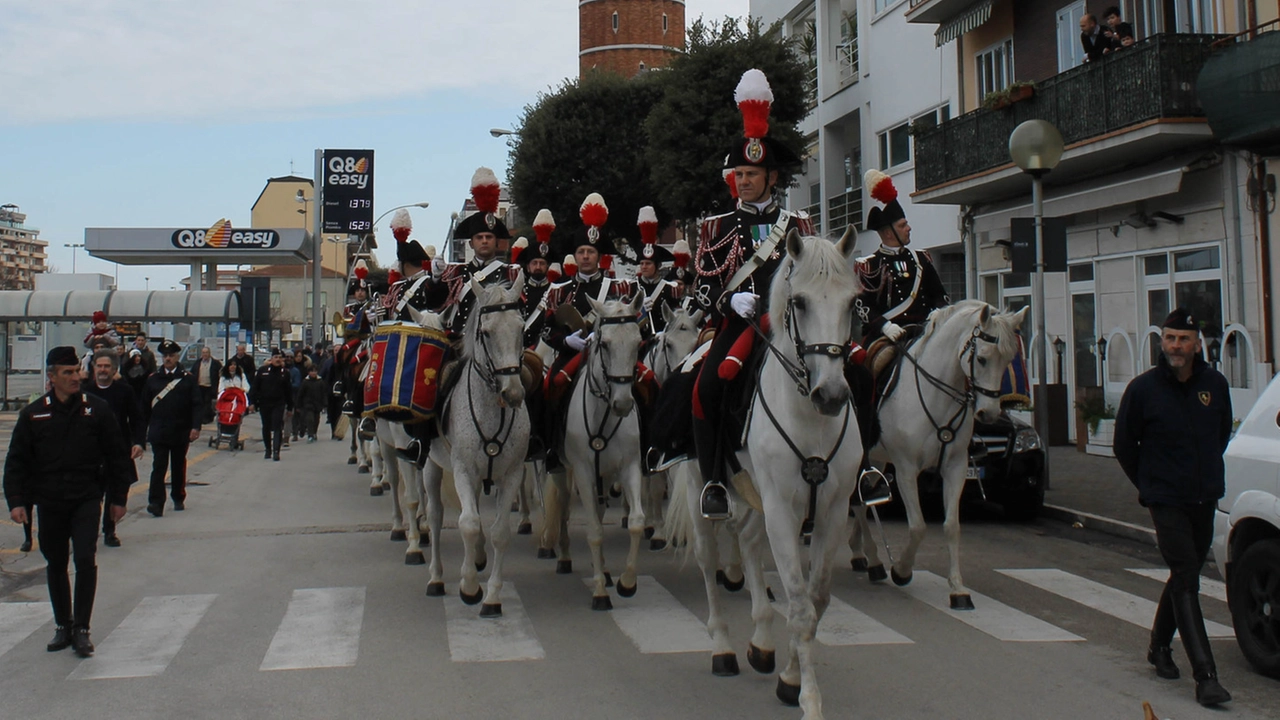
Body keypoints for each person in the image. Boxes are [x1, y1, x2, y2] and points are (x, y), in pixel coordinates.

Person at [689, 69, 814, 518]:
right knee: (706, 387)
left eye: (752, 174)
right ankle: (714, 481)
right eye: (739, 173)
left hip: (791, 325)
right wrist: (729, 300)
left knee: (847, 369)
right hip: (741, 324)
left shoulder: (798, 224)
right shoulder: (715, 227)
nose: (743, 181)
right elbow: (702, 286)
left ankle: (857, 471)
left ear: (771, 177)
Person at [1114, 309, 1233, 707]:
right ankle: (1206, 677)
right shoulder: (1143, 389)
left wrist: (1204, 475)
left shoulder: (1214, 385)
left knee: (1186, 572)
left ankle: (1159, 646)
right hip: (1165, 498)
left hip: (1204, 496)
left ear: (1197, 344)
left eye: (1183, 339)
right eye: (1170, 338)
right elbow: (1124, 445)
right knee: (1187, 576)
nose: (1176, 346)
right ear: (1161, 343)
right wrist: (1150, 485)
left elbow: (1220, 433)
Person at [4, 346, 132, 658]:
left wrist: (118, 498)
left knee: (85, 558)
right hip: (50, 500)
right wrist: (17, 501)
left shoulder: (97, 410)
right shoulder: (34, 414)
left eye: (77, 371)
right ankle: (63, 624)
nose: (76, 377)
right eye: (68, 373)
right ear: (52, 377)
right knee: (56, 561)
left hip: (87, 496)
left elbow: (117, 457)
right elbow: (16, 461)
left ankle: (82, 629)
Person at [433, 166, 521, 337]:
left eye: (489, 237)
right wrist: (436, 278)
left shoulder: (511, 273)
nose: (484, 241)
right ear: (471, 243)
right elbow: (434, 304)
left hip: (497, 344)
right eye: (479, 237)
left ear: (496, 242)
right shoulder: (455, 272)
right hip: (458, 340)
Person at [83, 349, 145, 548]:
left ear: (114, 370)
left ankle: (110, 531)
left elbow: (136, 418)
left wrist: (138, 442)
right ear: (94, 368)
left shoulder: (124, 391)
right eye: (99, 366)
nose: (102, 370)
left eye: (106, 366)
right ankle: (88, 533)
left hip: (117, 452)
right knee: (91, 497)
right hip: (91, 454)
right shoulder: (85, 392)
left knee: (115, 493)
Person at [140, 340, 202, 517]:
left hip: (180, 430)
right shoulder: (153, 380)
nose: (168, 359)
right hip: (159, 430)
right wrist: (141, 432)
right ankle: (156, 502)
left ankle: (178, 496)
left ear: (176, 357)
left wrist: (195, 427)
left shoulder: (187, 379)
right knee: (158, 467)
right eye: (165, 356)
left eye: (171, 356)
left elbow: (197, 404)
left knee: (177, 466)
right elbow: (144, 407)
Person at [632, 205, 683, 336]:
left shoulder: (669, 289)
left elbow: (677, 318)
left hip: (663, 341)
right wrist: (639, 311)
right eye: (642, 263)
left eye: (648, 263)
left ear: (658, 265)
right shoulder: (633, 287)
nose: (644, 266)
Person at [250, 348, 293, 461]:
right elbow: (255, 388)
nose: (278, 360)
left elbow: (288, 391)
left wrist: (290, 407)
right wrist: (252, 402)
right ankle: (268, 449)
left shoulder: (285, 373)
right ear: (271, 359)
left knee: (277, 426)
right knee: (266, 427)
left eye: (279, 357)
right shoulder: (263, 371)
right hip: (264, 403)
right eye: (276, 357)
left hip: (278, 403)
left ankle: (276, 451)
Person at [191, 346, 222, 424]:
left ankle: (206, 418)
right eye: (203, 353)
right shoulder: (197, 363)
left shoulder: (215, 363)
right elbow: (192, 373)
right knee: (200, 403)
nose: (205, 354)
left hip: (210, 386)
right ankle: (202, 418)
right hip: (200, 386)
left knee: (207, 403)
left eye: (206, 352)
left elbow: (221, 373)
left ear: (209, 353)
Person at [298, 366, 328, 443]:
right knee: (310, 419)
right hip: (308, 404)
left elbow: (323, 393)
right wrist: (298, 404)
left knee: (316, 420)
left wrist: (325, 403)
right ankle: (310, 434)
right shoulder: (305, 382)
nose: (313, 373)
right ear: (309, 372)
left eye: (315, 371)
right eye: (312, 371)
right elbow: (300, 394)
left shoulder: (320, 381)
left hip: (317, 404)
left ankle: (314, 432)